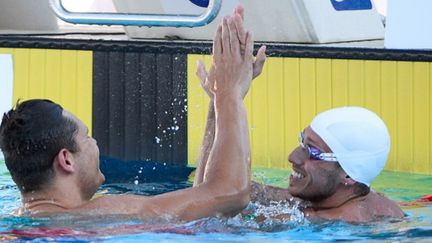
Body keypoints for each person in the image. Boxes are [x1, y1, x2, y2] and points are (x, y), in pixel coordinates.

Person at [0, 6, 255, 222]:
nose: (94, 143)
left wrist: (219, 104)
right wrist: (228, 92)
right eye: (87, 137)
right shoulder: (102, 214)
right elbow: (231, 193)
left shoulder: (18, 222)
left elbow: (205, 202)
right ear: (66, 160)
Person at [250, 107, 405, 222]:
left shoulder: (326, 221)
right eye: (302, 142)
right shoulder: (370, 200)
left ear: (348, 175)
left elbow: (230, 204)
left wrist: (231, 97)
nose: (293, 157)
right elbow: (255, 193)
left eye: (313, 151)